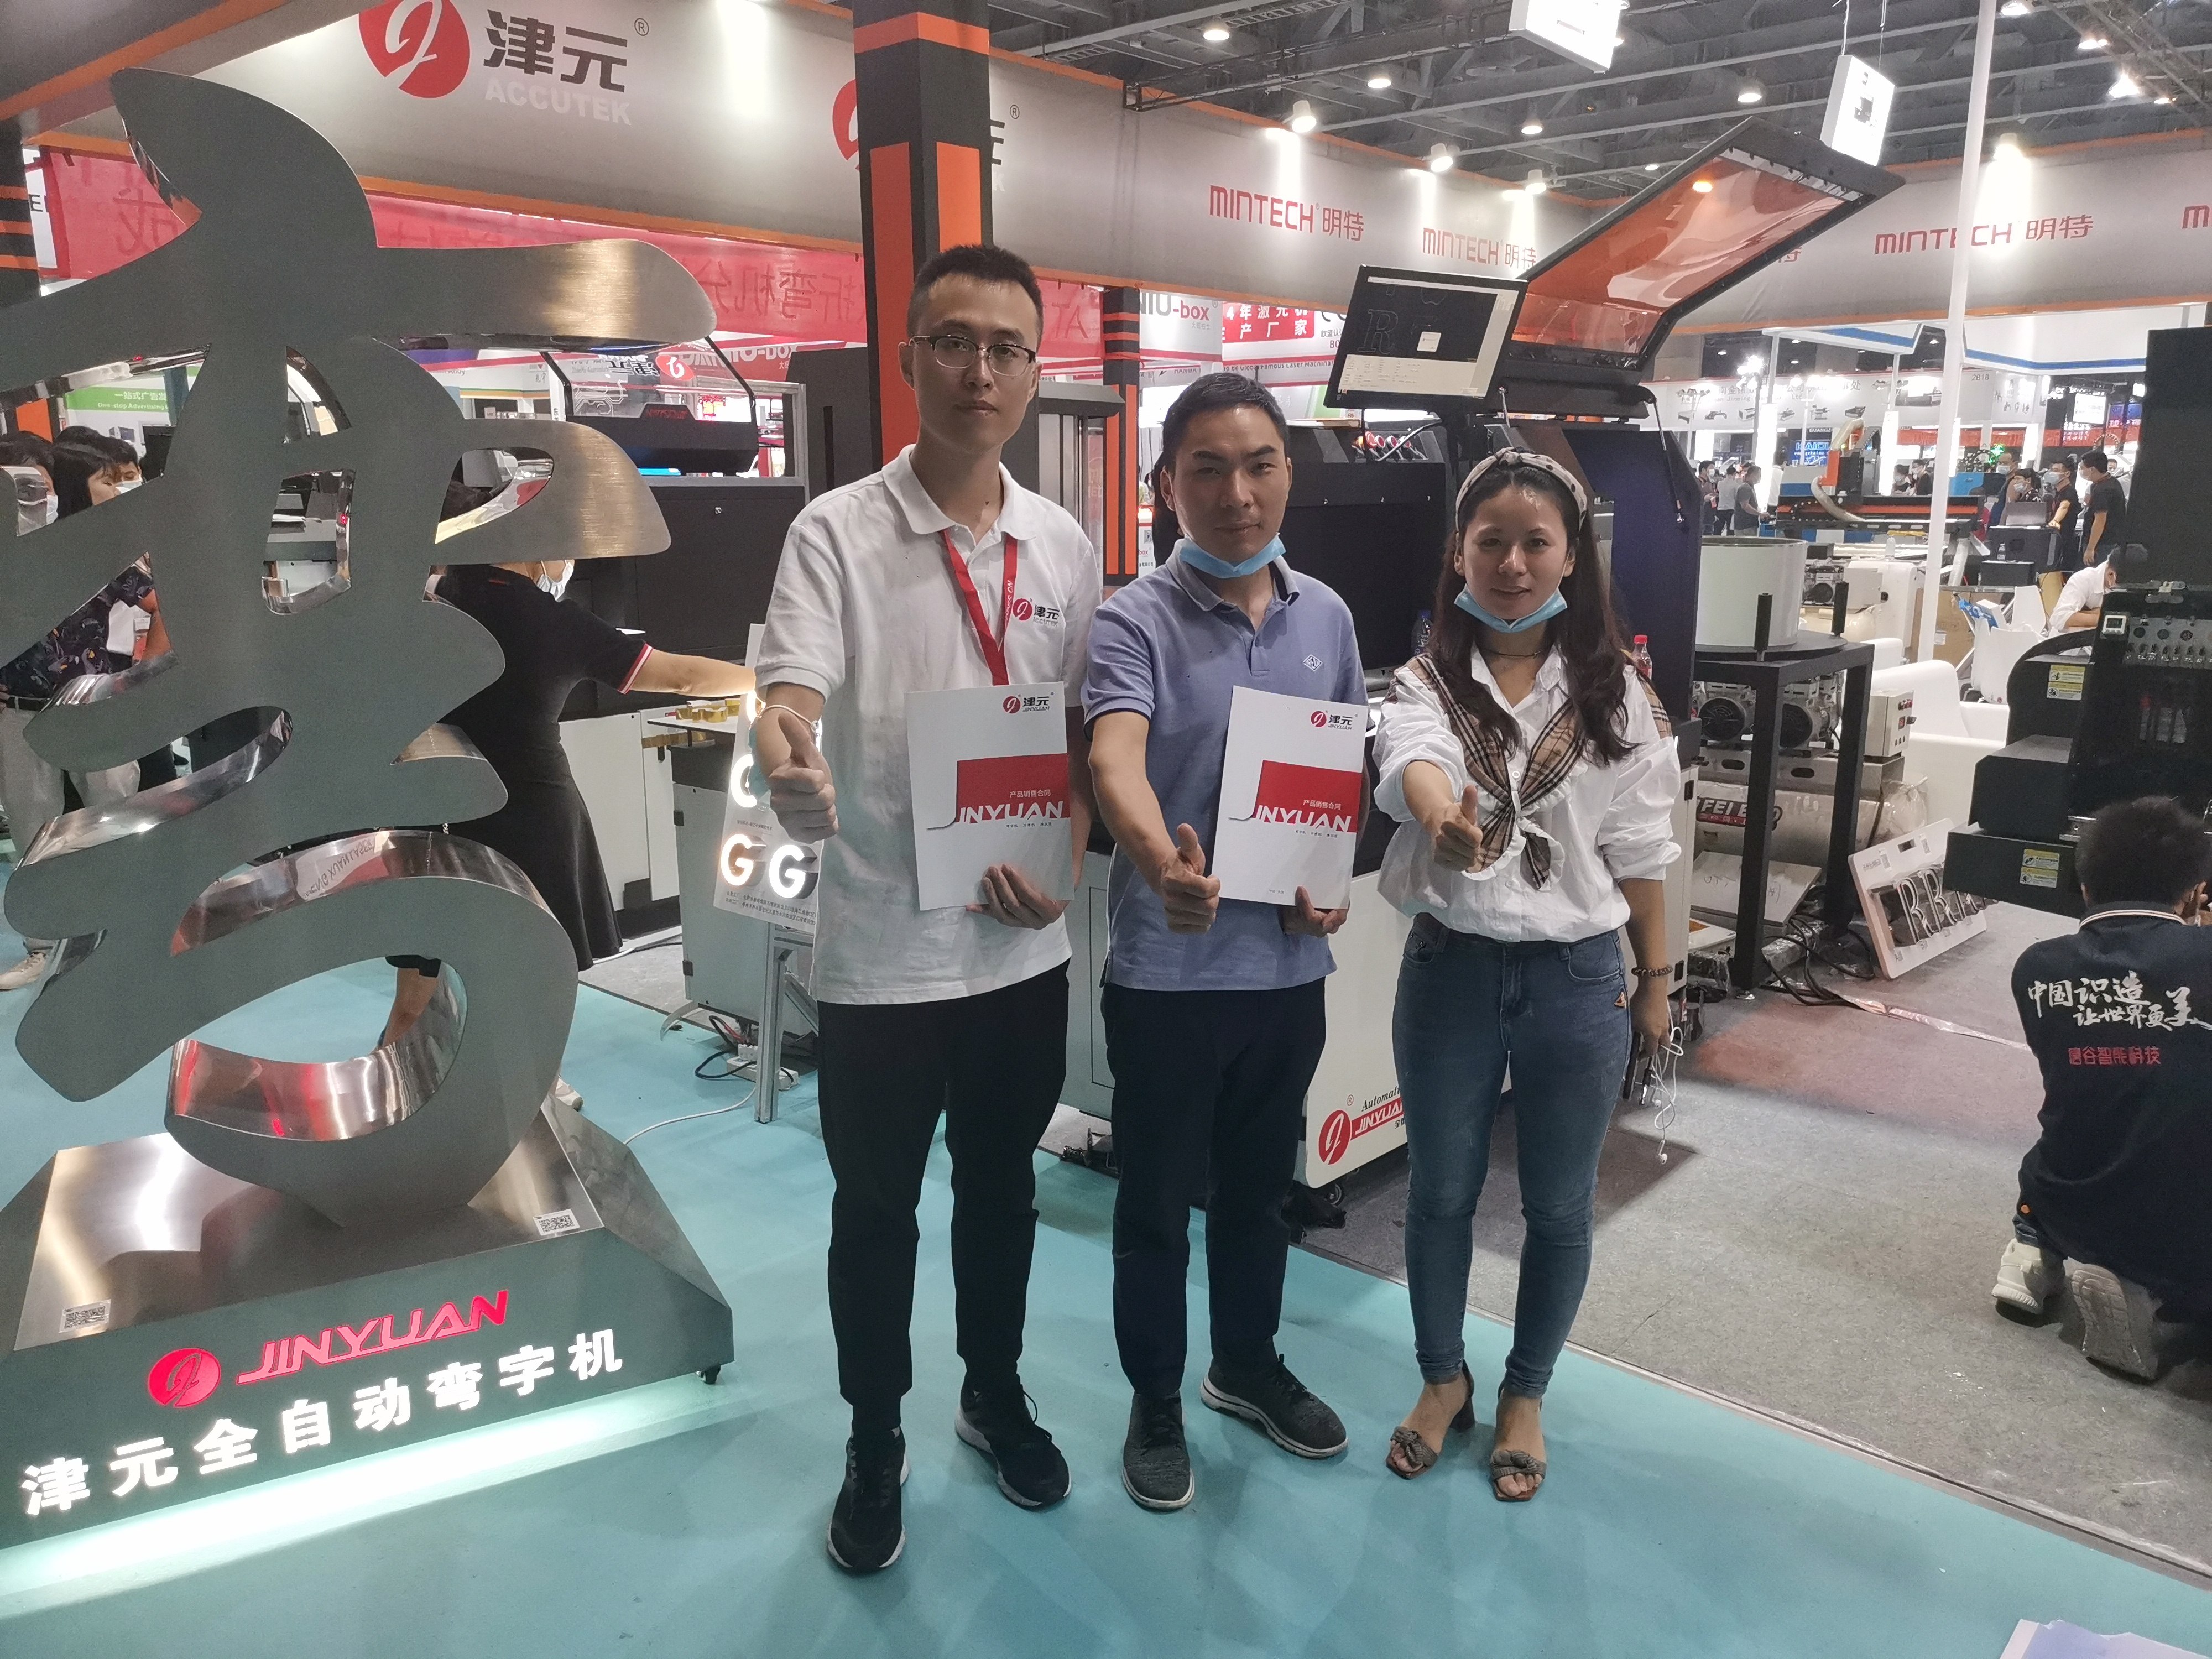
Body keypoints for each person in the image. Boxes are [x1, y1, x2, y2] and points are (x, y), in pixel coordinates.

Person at [752, 243, 1101, 1574]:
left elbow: (1085, 734)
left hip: (1019, 946)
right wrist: (789, 757)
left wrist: (1067, 857)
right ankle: (874, 1433)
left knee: (1002, 1193)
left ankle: (991, 1391)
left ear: (1034, 371)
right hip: (883, 951)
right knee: (876, 1213)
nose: (979, 371)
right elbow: (789, 694)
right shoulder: (836, 533)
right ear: (908, 360)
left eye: (1006, 347)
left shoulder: (1060, 544)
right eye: (953, 342)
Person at [1373, 450, 1679, 1499]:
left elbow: (1643, 852)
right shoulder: (1425, 681)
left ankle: (1526, 1394)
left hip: (1578, 980)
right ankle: (1443, 1379)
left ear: (1571, 556)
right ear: (1458, 551)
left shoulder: (1619, 695)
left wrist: (1656, 982)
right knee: (1439, 1195)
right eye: (1491, 541)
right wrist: (1440, 818)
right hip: (1450, 970)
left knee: (1558, 1206)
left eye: (1535, 542)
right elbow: (1412, 760)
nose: (1512, 563)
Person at [1083, 372, 1362, 1514]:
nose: (1237, 494)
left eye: (1258, 466)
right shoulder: (1132, 619)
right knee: (1155, 1204)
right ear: (1165, 485)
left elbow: (1334, 778)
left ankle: (1244, 1362)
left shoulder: (1327, 617)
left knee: (1259, 1193)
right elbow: (1113, 759)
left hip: (1285, 976)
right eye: (1207, 469)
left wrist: (1324, 891)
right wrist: (1163, 866)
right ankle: (1154, 1397)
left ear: (1288, 473)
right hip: (1168, 976)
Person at [382, 477, 754, 1038]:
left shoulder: (435, 601)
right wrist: (766, 679)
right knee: (532, 978)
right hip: (527, 817)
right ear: (536, 543)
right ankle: (527, 1081)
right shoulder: (551, 622)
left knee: (418, 988)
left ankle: (401, 1071)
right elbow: (679, 676)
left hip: (433, 812)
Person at [1992, 797, 2212, 1378]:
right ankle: (2151, 1295)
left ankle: (2032, 1249)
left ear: (2085, 885)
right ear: (2194, 890)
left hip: (2066, 1195)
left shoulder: (2036, 966)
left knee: (2091, 1112)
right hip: (2184, 1224)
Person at [0, 439, 168, 992]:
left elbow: (163, 603)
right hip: (20, 712)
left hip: (95, 705)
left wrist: (145, 675)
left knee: (114, 819)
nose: (37, 498)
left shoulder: (96, 551)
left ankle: (126, 938)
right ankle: (44, 947)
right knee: (34, 830)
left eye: (43, 487)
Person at [2044, 554, 2116, 634]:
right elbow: (2059, 618)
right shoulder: (2083, 579)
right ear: (2111, 575)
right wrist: (2104, 618)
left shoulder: (2122, 575)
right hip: (2069, 639)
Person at [2078, 450, 2127, 566]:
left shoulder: (2103, 490)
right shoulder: (2111, 482)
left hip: (2102, 544)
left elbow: (2100, 520)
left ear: (2092, 469)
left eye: (2082, 468)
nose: (2081, 471)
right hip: (2110, 541)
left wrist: (2090, 548)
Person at [2045, 456, 2080, 567]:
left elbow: (2064, 507)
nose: (2052, 473)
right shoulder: (2058, 493)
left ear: (2067, 474)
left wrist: (2055, 521)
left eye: (2056, 471)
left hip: (2063, 539)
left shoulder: (2070, 492)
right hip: (2055, 538)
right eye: (2051, 470)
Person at [1729, 463, 1764, 533]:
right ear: (1753, 475)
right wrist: (1759, 514)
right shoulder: (1745, 488)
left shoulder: (1749, 487)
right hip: (1745, 526)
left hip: (1748, 525)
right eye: (1759, 475)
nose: (1760, 477)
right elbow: (1745, 506)